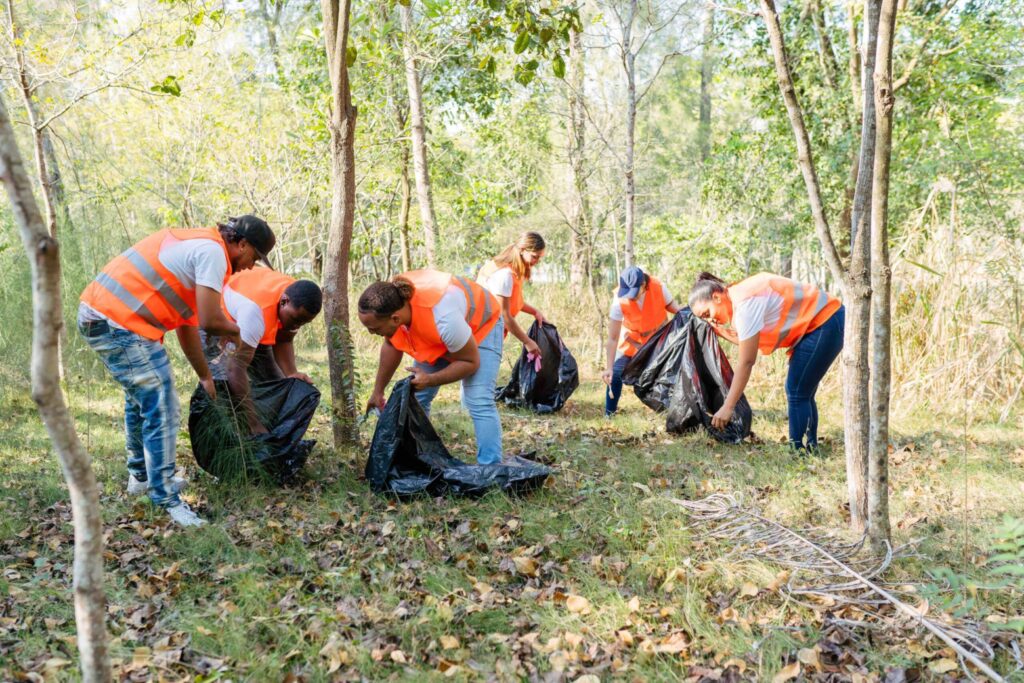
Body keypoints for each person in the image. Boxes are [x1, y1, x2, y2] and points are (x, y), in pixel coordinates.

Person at [78, 215, 276, 527]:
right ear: (242, 244)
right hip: (117, 321)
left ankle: (141, 477)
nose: (251, 266)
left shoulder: (200, 246)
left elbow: (189, 325)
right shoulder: (213, 254)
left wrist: (204, 375)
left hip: (105, 317)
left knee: (140, 400)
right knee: (163, 406)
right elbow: (211, 321)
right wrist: (237, 332)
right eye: (254, 257)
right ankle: (165, 498)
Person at [359, 270, 505, 464]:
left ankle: (491, 469)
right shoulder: (392, 300)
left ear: (395, 319)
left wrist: (431, 379)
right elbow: (391, 344)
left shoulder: (444, 318)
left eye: (374, 329)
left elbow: (470, 362)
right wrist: (377, 392)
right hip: (441, 334)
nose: (370, 333)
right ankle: (420, 457)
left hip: (481, 325)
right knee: (417, 397)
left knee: (478, 398)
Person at [687, 271, 843, 452]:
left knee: (797, 390)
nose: (710, 320)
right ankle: (810, 448)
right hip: (824, 321)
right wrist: (720, 331)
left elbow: (746, 361)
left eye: (707, 313)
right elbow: (749, 342)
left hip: (826, 321)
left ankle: (799, 451)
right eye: (704, 318)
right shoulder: (738, 295)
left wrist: (728, 407)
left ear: (717, 297)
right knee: (801, 390)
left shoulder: (745, 305)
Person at [208, 268, 322, 435]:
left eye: (304, 323)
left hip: (253, 325)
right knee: (221, 385)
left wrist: (291, 373)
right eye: (296, 320)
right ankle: (232, 437)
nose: (297, 326)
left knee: (277, 384)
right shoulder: (255, 314)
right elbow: (235, 368)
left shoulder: (296, 298)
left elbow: (284, 338)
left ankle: (269, 433)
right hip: (218, 321)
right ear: (284, 301)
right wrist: (253, 423)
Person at [602, 266, 681, 416]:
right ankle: (609, 413)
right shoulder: (619, 300)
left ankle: (669, 412)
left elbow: (676, 310)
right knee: (616, 374)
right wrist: (609, 368)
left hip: (656, 344)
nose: (630, 297)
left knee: (668, 374)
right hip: (630, 344)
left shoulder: (659, 288)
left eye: (633, 293)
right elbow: (612, 338)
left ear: (643, 285)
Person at [477, 231, 548, 357]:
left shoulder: (512, 271)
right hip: (485, 334)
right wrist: (527, 341)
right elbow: (504, 315)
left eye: (539, 258)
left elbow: (512, 302)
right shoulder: (505, 274)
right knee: (484, 377)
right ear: (522, 250)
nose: (537, 261)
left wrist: (535, 312)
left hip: (487, 333)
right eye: (534, 256)